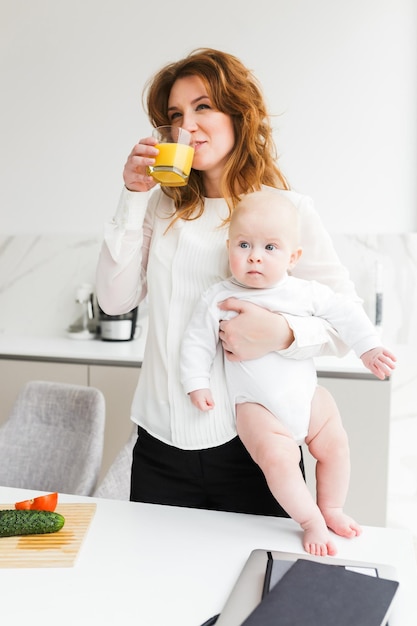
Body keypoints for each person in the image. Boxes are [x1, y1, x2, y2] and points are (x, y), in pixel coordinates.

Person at [95, 47, 370, 522]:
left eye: (203, 107)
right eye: (176, 115)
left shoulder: (288, 210)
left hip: (257, 450)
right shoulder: (159, 206)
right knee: (157, 588)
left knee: (260, 589)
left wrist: (284, 332)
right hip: (160, 445)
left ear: (239, 114)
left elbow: (345, 321)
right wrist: (131, 198)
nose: (190, 124)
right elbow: (114, 301)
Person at [180, 190, 396, 556]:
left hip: (308, 397)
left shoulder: (305, 292)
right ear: (228, 247)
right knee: (278, 461)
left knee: (336, 445)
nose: (254, 257)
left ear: (293, 257)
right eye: (244, 244)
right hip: (256, 407)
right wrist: (195, 383)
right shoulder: (217, 297)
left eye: (270, 248)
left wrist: (369, 347)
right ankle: (310, 520)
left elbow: (345, 314)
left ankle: (331, 508)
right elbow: (196, 342)